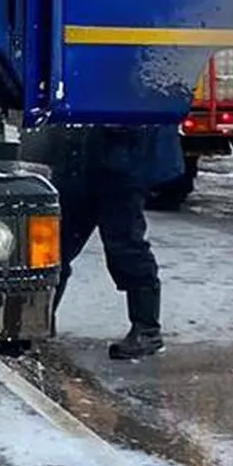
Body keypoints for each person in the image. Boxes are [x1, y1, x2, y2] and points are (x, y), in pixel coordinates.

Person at [42, 123, 185, 360]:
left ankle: (147, 328)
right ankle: (42, 319)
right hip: (81, 161)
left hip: (121, 164)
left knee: (125, 246)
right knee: (54, 247)